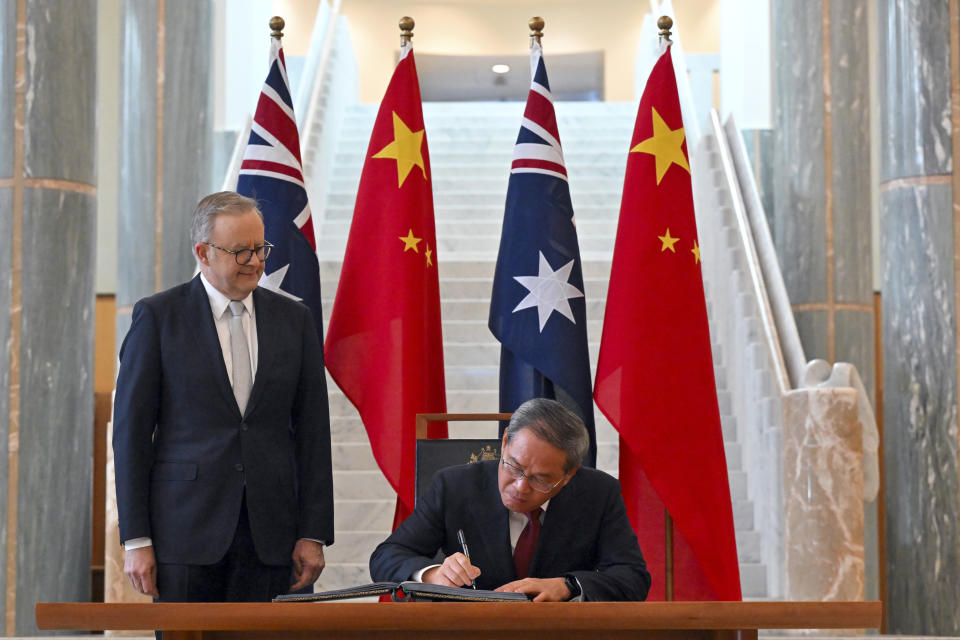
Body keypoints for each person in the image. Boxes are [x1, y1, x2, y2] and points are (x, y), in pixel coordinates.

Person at [113, 191, 333, 602]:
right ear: (203, 252)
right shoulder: (159, 318)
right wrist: (136, 538)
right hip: (183, 536)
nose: (256, 261)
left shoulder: (294, 320)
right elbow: (132, 437)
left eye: (260, 248)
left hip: (272, 538)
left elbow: (313, 434)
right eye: (241, 252)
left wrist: (313, 532)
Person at [369, 398, 651, 601]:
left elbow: (633, 577)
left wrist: (568, 586)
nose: (519, 486)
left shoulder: (599, 494)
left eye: (540, 479)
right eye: (513, 466)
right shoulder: (454, 486)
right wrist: (432, 574)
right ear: (504, 443)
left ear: (568, 475)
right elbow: (386, 557)